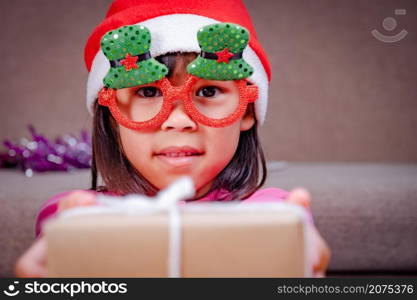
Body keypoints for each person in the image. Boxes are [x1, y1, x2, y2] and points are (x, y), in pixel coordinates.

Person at [15, 0, 330, 277]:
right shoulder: (76, 215)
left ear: (246, 111)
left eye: (208, 91)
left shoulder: (276, 214)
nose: (178, 121)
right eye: (148, 91)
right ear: (111, 117)